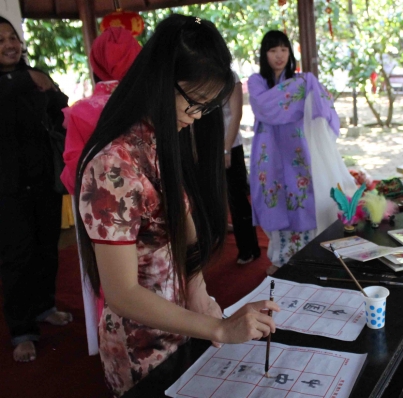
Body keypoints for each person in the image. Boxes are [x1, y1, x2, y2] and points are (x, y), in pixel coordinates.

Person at [75, 15, 279, 396]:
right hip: (143, 348)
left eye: (207, 106)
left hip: (182, 324)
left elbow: (180, 222)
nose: (197, 115)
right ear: (160, 79)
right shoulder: (112, 165)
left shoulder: (160, 139)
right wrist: (219, 328)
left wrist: (198, 291)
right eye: (195, 102)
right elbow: (122, 293)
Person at [248, 30, 356, 276]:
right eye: (273, 50)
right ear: (264, 54)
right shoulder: (258, 82)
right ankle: (279, 256)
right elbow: (263, 106)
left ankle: (302, 255)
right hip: (269, 152)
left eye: (284, 50)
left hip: (297, 149)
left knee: (300, 197)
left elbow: (320, 101)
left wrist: (305, 85)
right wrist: (302, 85)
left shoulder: (302, 81)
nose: (279, 56)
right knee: (273, 198)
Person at [0, 16, 72, 363]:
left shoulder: (35, 76)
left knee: (46, 248)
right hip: (7, 188)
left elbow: (62, 110)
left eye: (12, 37)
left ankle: (45, 306)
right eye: (0, 40)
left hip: (43, 179)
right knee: (17, 257)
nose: (10, 44)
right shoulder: (21, 79)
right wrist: (25, 79)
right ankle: (21, 330)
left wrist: (51, 89)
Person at [60, 26, 142, 195]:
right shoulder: (153, 102)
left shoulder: (81, 113)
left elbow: (74, 177)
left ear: (96, 62)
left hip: (104, 209)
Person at [223, 71, 260, 264]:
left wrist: (226, 149)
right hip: (206, 147)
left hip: (230, 146)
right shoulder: (197, 74)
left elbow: (236, 114)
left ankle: (248, 249)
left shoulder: (230, 77)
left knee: (237, 200)